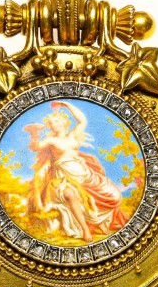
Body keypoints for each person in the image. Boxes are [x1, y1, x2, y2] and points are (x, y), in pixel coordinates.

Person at [24, 101, 128, 243]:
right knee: (70, 195)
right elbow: (35, 147)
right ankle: (85, 229)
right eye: (52, 122)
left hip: (86, 175)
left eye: (57, 120)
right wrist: (34, 134)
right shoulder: (51, 140)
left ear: (64, 122)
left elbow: (82, 120)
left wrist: (66, 105)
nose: (55, 124)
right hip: (65, 179)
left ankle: (99, 221)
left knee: (114, 195)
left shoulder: (73, 135)